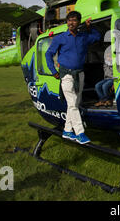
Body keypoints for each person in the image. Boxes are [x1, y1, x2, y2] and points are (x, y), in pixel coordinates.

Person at [45, 11, 101, 144]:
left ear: (78, 22)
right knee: (72, 103)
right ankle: (80, 133)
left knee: (74, 103)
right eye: (69, 20)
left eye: (74, 20)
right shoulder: (60, 38)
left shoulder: (83, 37)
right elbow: (48, 54)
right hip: (66, 75)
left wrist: (89, 27)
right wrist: (53, 71)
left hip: (80, 74)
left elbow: (97, 36)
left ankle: (67, 130)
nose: (71, 23)